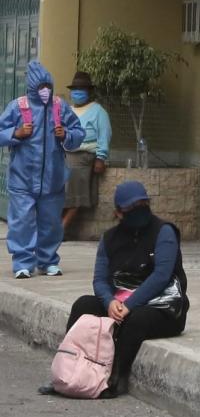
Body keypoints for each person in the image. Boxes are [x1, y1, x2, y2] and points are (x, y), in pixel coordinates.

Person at [40, 181, 189, 398]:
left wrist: (128, 306)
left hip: (163, 306)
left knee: (137, 319)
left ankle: (115, 378)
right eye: (131, 207)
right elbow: (100, 279)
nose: (138, 210)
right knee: (83, 305)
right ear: (119, 213)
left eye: (142, 204)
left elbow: (161, 277)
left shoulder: (163, 232)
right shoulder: (110, 239)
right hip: (120, 303)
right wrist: (110, 302)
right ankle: (68, 370)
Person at [0, 61, 85, 279]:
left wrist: (65, 134)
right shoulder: (18, 107)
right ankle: (22, 263)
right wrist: (15, 134)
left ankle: (48, 261)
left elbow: (78, 133)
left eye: (48, 86)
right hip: (23, 180)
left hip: (52, 179)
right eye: (41, 87)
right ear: (32, 88)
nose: (45, 91)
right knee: (21, 223)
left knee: (51, 223)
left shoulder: (60, 107)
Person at [62, 72, 112, 232]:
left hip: (83, 156)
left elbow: (104, 135)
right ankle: (53, 229)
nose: (77, 92)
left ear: (89, 92)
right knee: (59, 191)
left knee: (76, 193)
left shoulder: (98, 111)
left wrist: (101, 158)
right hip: (63, 154)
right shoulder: (67, 110)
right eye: (74, 89)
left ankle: (60, 230)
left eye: (81, 89)